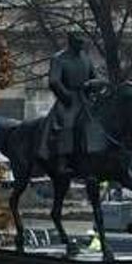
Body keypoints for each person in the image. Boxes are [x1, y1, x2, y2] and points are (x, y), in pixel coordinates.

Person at [37, 32, 97, 169]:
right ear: (71, 41)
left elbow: (93, 77)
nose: (81, 45)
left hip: (85, 98)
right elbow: (54, 81)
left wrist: (95, 86)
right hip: (68, 100)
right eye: (78, 42)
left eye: (82, 42)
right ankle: (62, 161)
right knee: (67, 124)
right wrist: (66, 96)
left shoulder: (86, 58)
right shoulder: (59, 58)